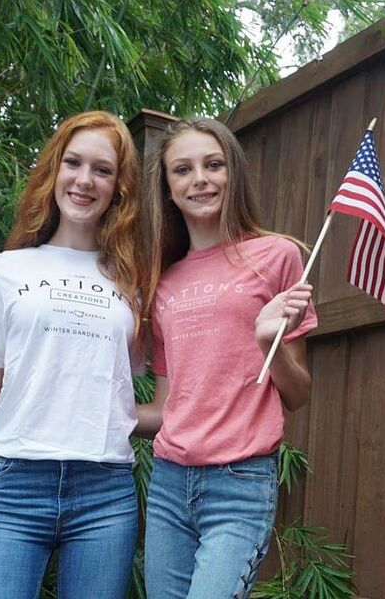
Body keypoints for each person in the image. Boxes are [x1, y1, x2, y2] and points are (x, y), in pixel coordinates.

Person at [0, 111, 148, 599]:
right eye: (73, 163)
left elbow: (135, 394)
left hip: (104, 490)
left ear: (119, 187)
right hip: (14, 482)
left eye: (102, 169)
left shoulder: (135, 282)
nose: (84, 180)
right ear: (55, 170)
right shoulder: (4, 270)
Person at [136, 117, 318, 599]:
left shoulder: (277, 256)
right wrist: (96, 412)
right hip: (169, 483)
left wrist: (267, 344)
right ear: (167, 188)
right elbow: (166, 408)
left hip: (241, 482)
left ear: (232, 172)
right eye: (183, 169)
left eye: (213, 165)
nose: (200, 179)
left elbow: (299, 393)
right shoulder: (162, 283)